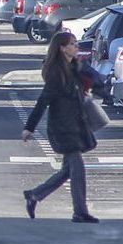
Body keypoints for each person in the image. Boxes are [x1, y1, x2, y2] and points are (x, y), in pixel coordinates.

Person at [21, 31, 99, 223]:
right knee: (77, 170)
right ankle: (80, 212)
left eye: (76, 44)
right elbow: (43, 101)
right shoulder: (56, 72)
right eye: (72, 44)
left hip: (76, 124)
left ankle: (34, 195)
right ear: (62, 48)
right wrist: (29, 127)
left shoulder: (74, 67)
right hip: (62, 128)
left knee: (69, 170)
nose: (76, 47)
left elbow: (94, 83)